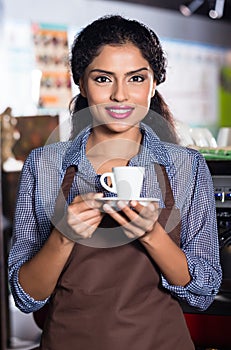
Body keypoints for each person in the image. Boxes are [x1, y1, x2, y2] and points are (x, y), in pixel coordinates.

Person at [8, 15, 222, 350]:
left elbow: (204, 291)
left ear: (153, 84)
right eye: (103, 79)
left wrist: (152, 236)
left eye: (136, 78)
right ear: (81, 82)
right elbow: (27, 297)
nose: (120, 95)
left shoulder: (185, 166)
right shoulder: (45, 164)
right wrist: (63, 237)